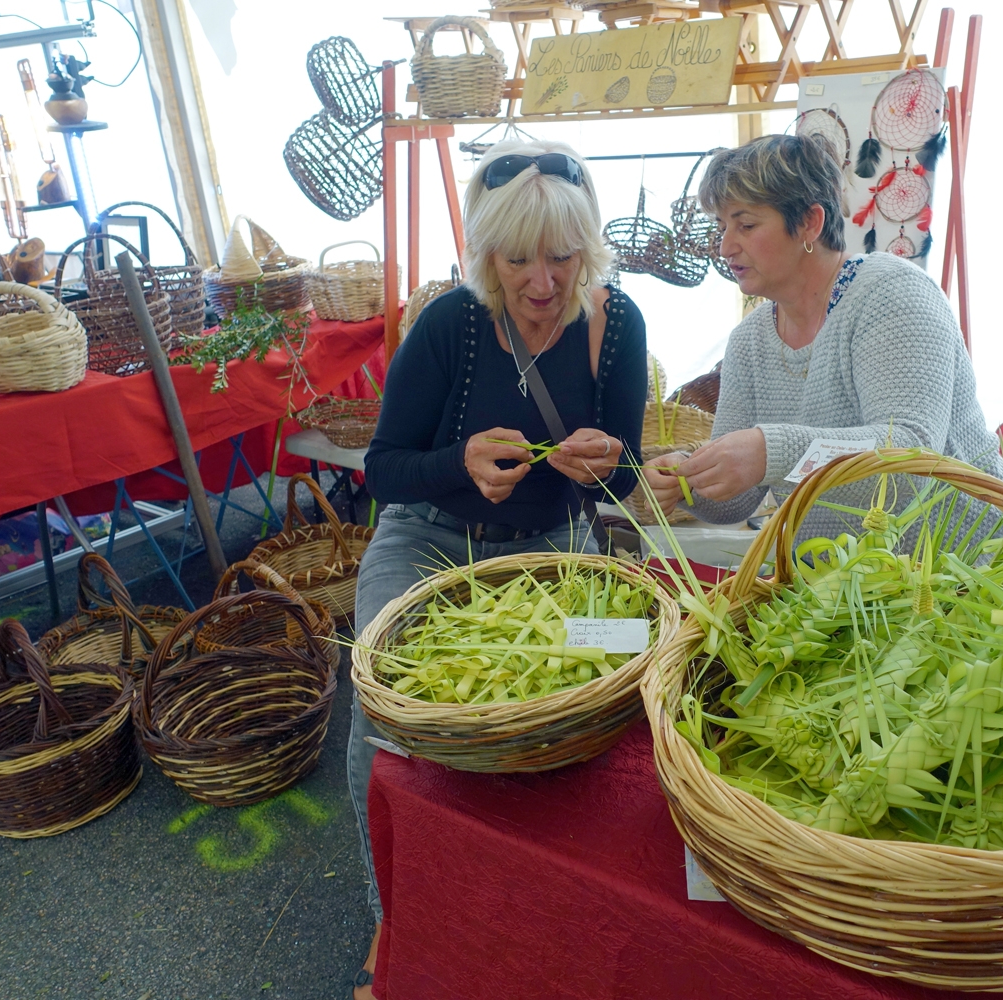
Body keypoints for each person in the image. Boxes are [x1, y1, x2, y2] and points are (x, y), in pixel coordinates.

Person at [345, 139, 647, 999]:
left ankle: (533, 908)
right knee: (386, 716)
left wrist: (609, 463)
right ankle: (395, 923)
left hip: (553, 553)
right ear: (486, 256)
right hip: (429, 537)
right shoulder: (453, 324)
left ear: (588, 250)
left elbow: (624, 475)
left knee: (598, 682)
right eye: (518, 260)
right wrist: (458, 462)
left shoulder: (615, 325)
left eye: (562, 258)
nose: (542, 282)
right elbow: (383, 467)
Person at [641, 133, 1003, 544]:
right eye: (722, 227)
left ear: (810, 222)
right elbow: (737, 503)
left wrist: (768, 451)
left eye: (746, 224)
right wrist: (689, 477)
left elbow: (909, 457)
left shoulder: (890, 295)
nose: (725, 246)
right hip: (834, 578)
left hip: (955, 571)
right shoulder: (749, 341)